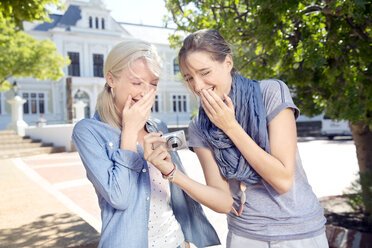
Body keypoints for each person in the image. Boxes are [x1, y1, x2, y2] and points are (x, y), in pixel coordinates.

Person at [143, 29, 328, 248]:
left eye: (205, 72)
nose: (198, 86)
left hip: (300, 231)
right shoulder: (199, 126)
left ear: (227, 62)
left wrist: (230, 126)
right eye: (189, 78)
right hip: (246, 235)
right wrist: (172, 173)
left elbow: (282, 181)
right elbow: (223, 202)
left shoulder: (270, 92)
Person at [72, 39, 220, 248]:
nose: (145, 92)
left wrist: (185, 239)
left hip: (176, 241)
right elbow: (119, 198)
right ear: (111, 79)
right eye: (136, 82)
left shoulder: (157, 126)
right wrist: (130, 132)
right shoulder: (88, 131)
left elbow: (175, 191)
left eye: (153, 84)